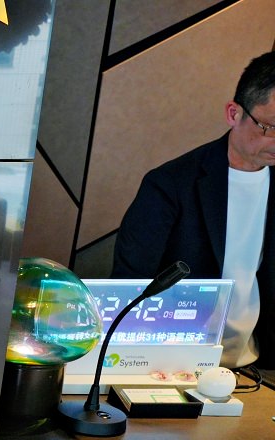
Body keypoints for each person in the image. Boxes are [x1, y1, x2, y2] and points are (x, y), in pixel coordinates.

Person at [113, 51, 275, 369]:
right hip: (174, 361)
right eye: (270, 127)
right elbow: (130, 285)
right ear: (234, 114)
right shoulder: (170, 185)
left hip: (256, 364)